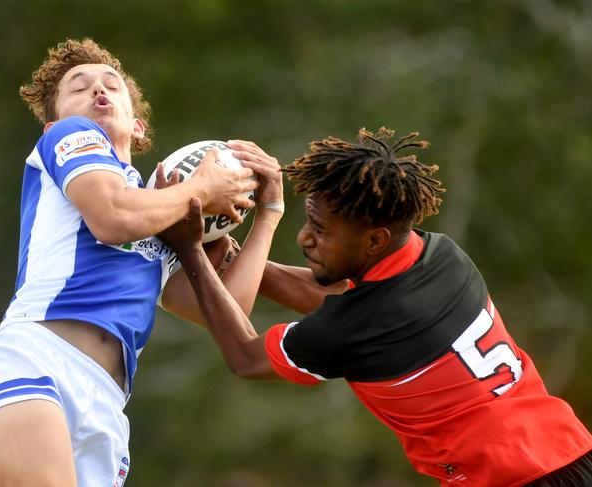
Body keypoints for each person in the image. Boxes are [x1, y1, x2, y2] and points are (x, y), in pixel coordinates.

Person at [159, 127, 592, 486]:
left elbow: (246, 357)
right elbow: (348, 302)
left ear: (375, 240)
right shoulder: (440, 255)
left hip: (516, 478)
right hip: (572, 452)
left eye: (321, 230)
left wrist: (194, 248)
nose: (305, 238)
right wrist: (235, 259)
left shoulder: (354, 328)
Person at [0, 37, 282, 486]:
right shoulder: (71, 139)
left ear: (140, 127)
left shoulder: (161, 207)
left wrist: (268, 213)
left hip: (106, 400)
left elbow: (229, 308)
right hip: (35, 360)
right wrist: (202, 190)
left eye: (111, 85)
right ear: (54, 125)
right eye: (79, 87)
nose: (99, 91)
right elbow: (111, 219)